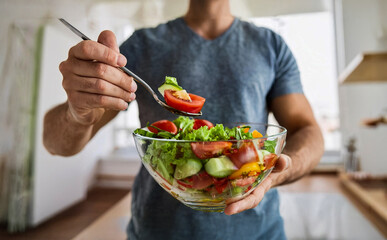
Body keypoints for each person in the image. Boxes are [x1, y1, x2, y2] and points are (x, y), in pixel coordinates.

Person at [43, 0, 324, 239]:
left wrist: (278, 173)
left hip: (258, 232)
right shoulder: (141, 46)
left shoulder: (270, 45)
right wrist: (78, 111)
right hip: (157, 231)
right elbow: (56, 143)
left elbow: (307, 129)